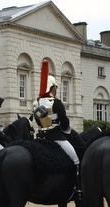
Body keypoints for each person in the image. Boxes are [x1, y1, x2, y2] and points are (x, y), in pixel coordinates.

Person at [33, 59, 82, 199]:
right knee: (76, 160)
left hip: (41, 137)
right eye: (55, 87)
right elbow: (65, 123)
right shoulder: (56, 102)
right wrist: (66, 131)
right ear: (52, 88)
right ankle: (77, 189)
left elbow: (37, 120)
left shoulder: (36, 103)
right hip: (56, 138)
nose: (56, 90)